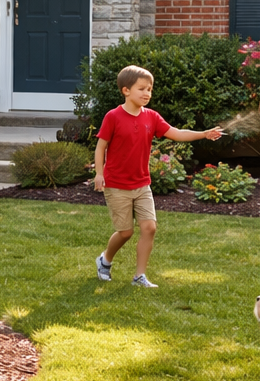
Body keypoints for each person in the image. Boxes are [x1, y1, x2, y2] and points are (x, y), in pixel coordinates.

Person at [92, 65, 224, 288]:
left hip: (142, 184)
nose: (147, 94)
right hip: (116, 184)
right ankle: (105, 260)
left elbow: (177, 133)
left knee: (149, 228)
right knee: (125, 232)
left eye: (150, 89)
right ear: (126, 90)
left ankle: (139, 276)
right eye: (142, 89)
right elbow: (100, 146)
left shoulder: (152, 117)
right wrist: (98, 173)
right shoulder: (113, 116)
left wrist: (204, 134)